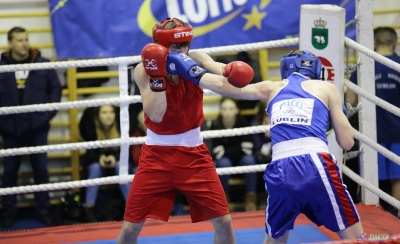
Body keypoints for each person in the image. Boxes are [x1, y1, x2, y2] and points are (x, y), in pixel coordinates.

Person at [170, 48, 364, 243]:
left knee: (274, 240)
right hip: (315, 166)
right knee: (358, 239)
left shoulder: (271, 88)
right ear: (315, 70)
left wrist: (190, 65)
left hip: (279, 170)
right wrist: (337, 114)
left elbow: (225, 87)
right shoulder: (326, 88)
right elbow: (347, 143)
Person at [117, 17, 255, 244]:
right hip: (155, 156)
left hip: (194, 155)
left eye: (184, 44)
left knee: (224, 223)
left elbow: (218, 72)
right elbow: (156, 114)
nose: (181, 50)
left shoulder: (196, 59)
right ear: (161, 46)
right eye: (175, 46)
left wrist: (229, 70)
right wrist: (159, 77)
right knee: (131, 227)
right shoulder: (144, 70)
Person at [0, 26, 62, 227]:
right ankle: (8, 212)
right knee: (10, 172)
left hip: (37, 128)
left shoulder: (42, 64)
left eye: (26, 39)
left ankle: (43, 211)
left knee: (41, 170)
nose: (24, 43)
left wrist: (42, 118)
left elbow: (55, 91)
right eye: (19, 40)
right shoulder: (2, 65)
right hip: (10, 129)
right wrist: (5, 123)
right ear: (10, 43)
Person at [347, 26, 400, 217]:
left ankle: (375, 218)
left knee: (371, 178)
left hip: (370, 131)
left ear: (374, 43)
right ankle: (396, 216)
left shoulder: (365, 66)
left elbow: (350, 102)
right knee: (397, 176)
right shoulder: (399, 65)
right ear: (394, 43)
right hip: (397, 131)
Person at [79, 105, 131, 222]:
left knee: (121, 167)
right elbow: (89, 154)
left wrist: (115, 158)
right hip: (98, 165)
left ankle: (133, 208)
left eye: (111, 112)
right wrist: (99, 158)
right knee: (95, 168)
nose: (108, 116)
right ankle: (89, 209)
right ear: (98, 115)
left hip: (117, 164)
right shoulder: (91, 130)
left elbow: (129, 153)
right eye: (104, 112)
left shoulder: (122, 128)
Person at [210, 97, 258, 211]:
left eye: (231, 108)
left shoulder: (243, 123)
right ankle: (224, 200)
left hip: (241, 158)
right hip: (226, 159)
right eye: (224, 108)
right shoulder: (215, 124)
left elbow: (248, 148)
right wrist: (237, 150)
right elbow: (217, 151)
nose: (227, 112)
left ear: (236, 110)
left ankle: (251, 198)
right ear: (220, 110)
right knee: (223, 163)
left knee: (249, 160)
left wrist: (228, 151)